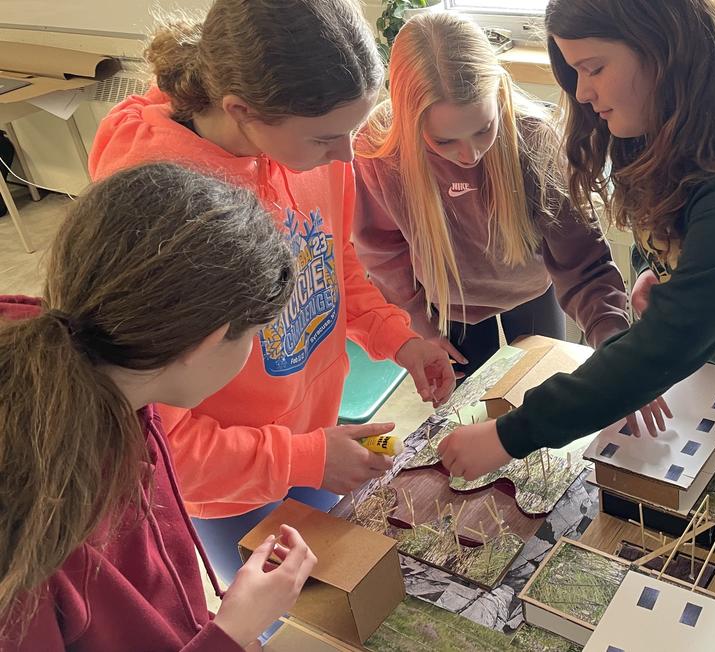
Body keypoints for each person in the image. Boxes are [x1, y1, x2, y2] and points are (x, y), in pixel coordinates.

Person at [440, 0, 715, 480]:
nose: (582, 91)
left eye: (593, 68)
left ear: (662, 48)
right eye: (574, 72)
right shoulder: (664, 121)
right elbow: (666, 224)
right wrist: (652, 271)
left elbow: (670, 342)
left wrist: (510, 435)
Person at [87, 0, 456, 580]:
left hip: (312, 437)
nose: (347, 156)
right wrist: (300, 458)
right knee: (288, 620)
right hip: (227, 483)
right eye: (327, 139)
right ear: (242, 110)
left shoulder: (309, 143)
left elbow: (333, 264)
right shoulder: (164, 213)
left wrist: (398, 339)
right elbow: (162, 442)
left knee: (341, 575)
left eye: (354, 130)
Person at [0, 163, 315, 651]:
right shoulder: (30, 538)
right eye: (254, 334)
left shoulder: (108, 380)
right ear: (205, 343)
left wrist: (216, 629)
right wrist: (232, 632)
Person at [355, 12, 630, 378]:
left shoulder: (533, 136)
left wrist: (614, 342)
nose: (470, 156)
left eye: (484, 129)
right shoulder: (379, 152)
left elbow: (583, 259)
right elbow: (383, 251)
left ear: (499, 94)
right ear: (408, 120)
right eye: (444, 141)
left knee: (538, 392)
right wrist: (416, 325)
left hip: (531, 291)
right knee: (467, 412)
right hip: (449, 309)